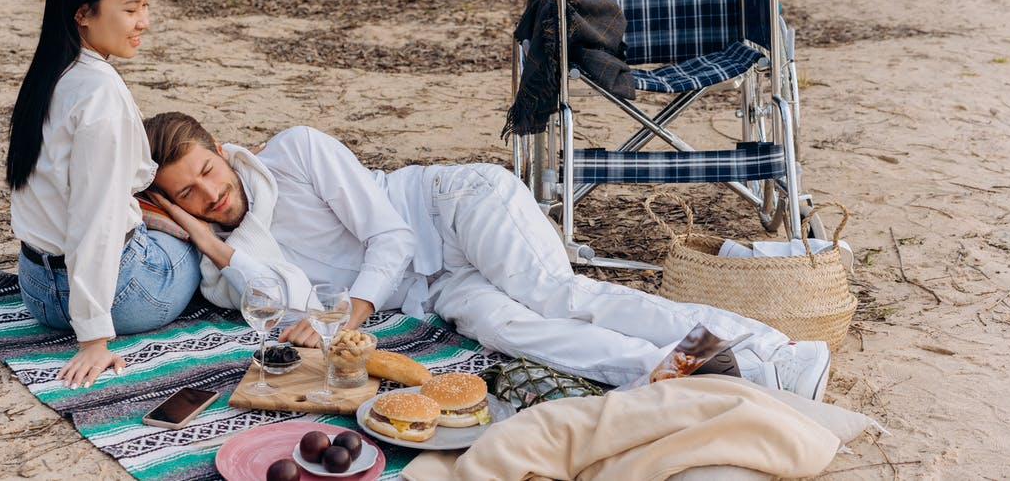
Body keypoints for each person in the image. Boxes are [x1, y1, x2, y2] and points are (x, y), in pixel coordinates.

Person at [142, 112, 831, 400]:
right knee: (510, 329)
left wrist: (347, 313)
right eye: (187, 196)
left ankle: (775, 352)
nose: (209, 192)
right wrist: (210, 242)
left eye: (208, 169)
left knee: (560, 295)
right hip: (432, 290)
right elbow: (283, 300)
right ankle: (687, 370)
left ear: (221, 146)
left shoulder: (294, 150)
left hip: (454, 206)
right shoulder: (232, 256)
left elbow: (391, 237)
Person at [6, 0, 201, 390]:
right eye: (131, 9)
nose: (145, 23)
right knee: (201, 245)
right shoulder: (100, 93)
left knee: (155, 209)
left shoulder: (49, 74)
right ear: (83, 13)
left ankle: (163, 219)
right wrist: (93, 336)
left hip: (37, 289)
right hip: (124, 294)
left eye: (146, 7)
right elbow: (96, 218)